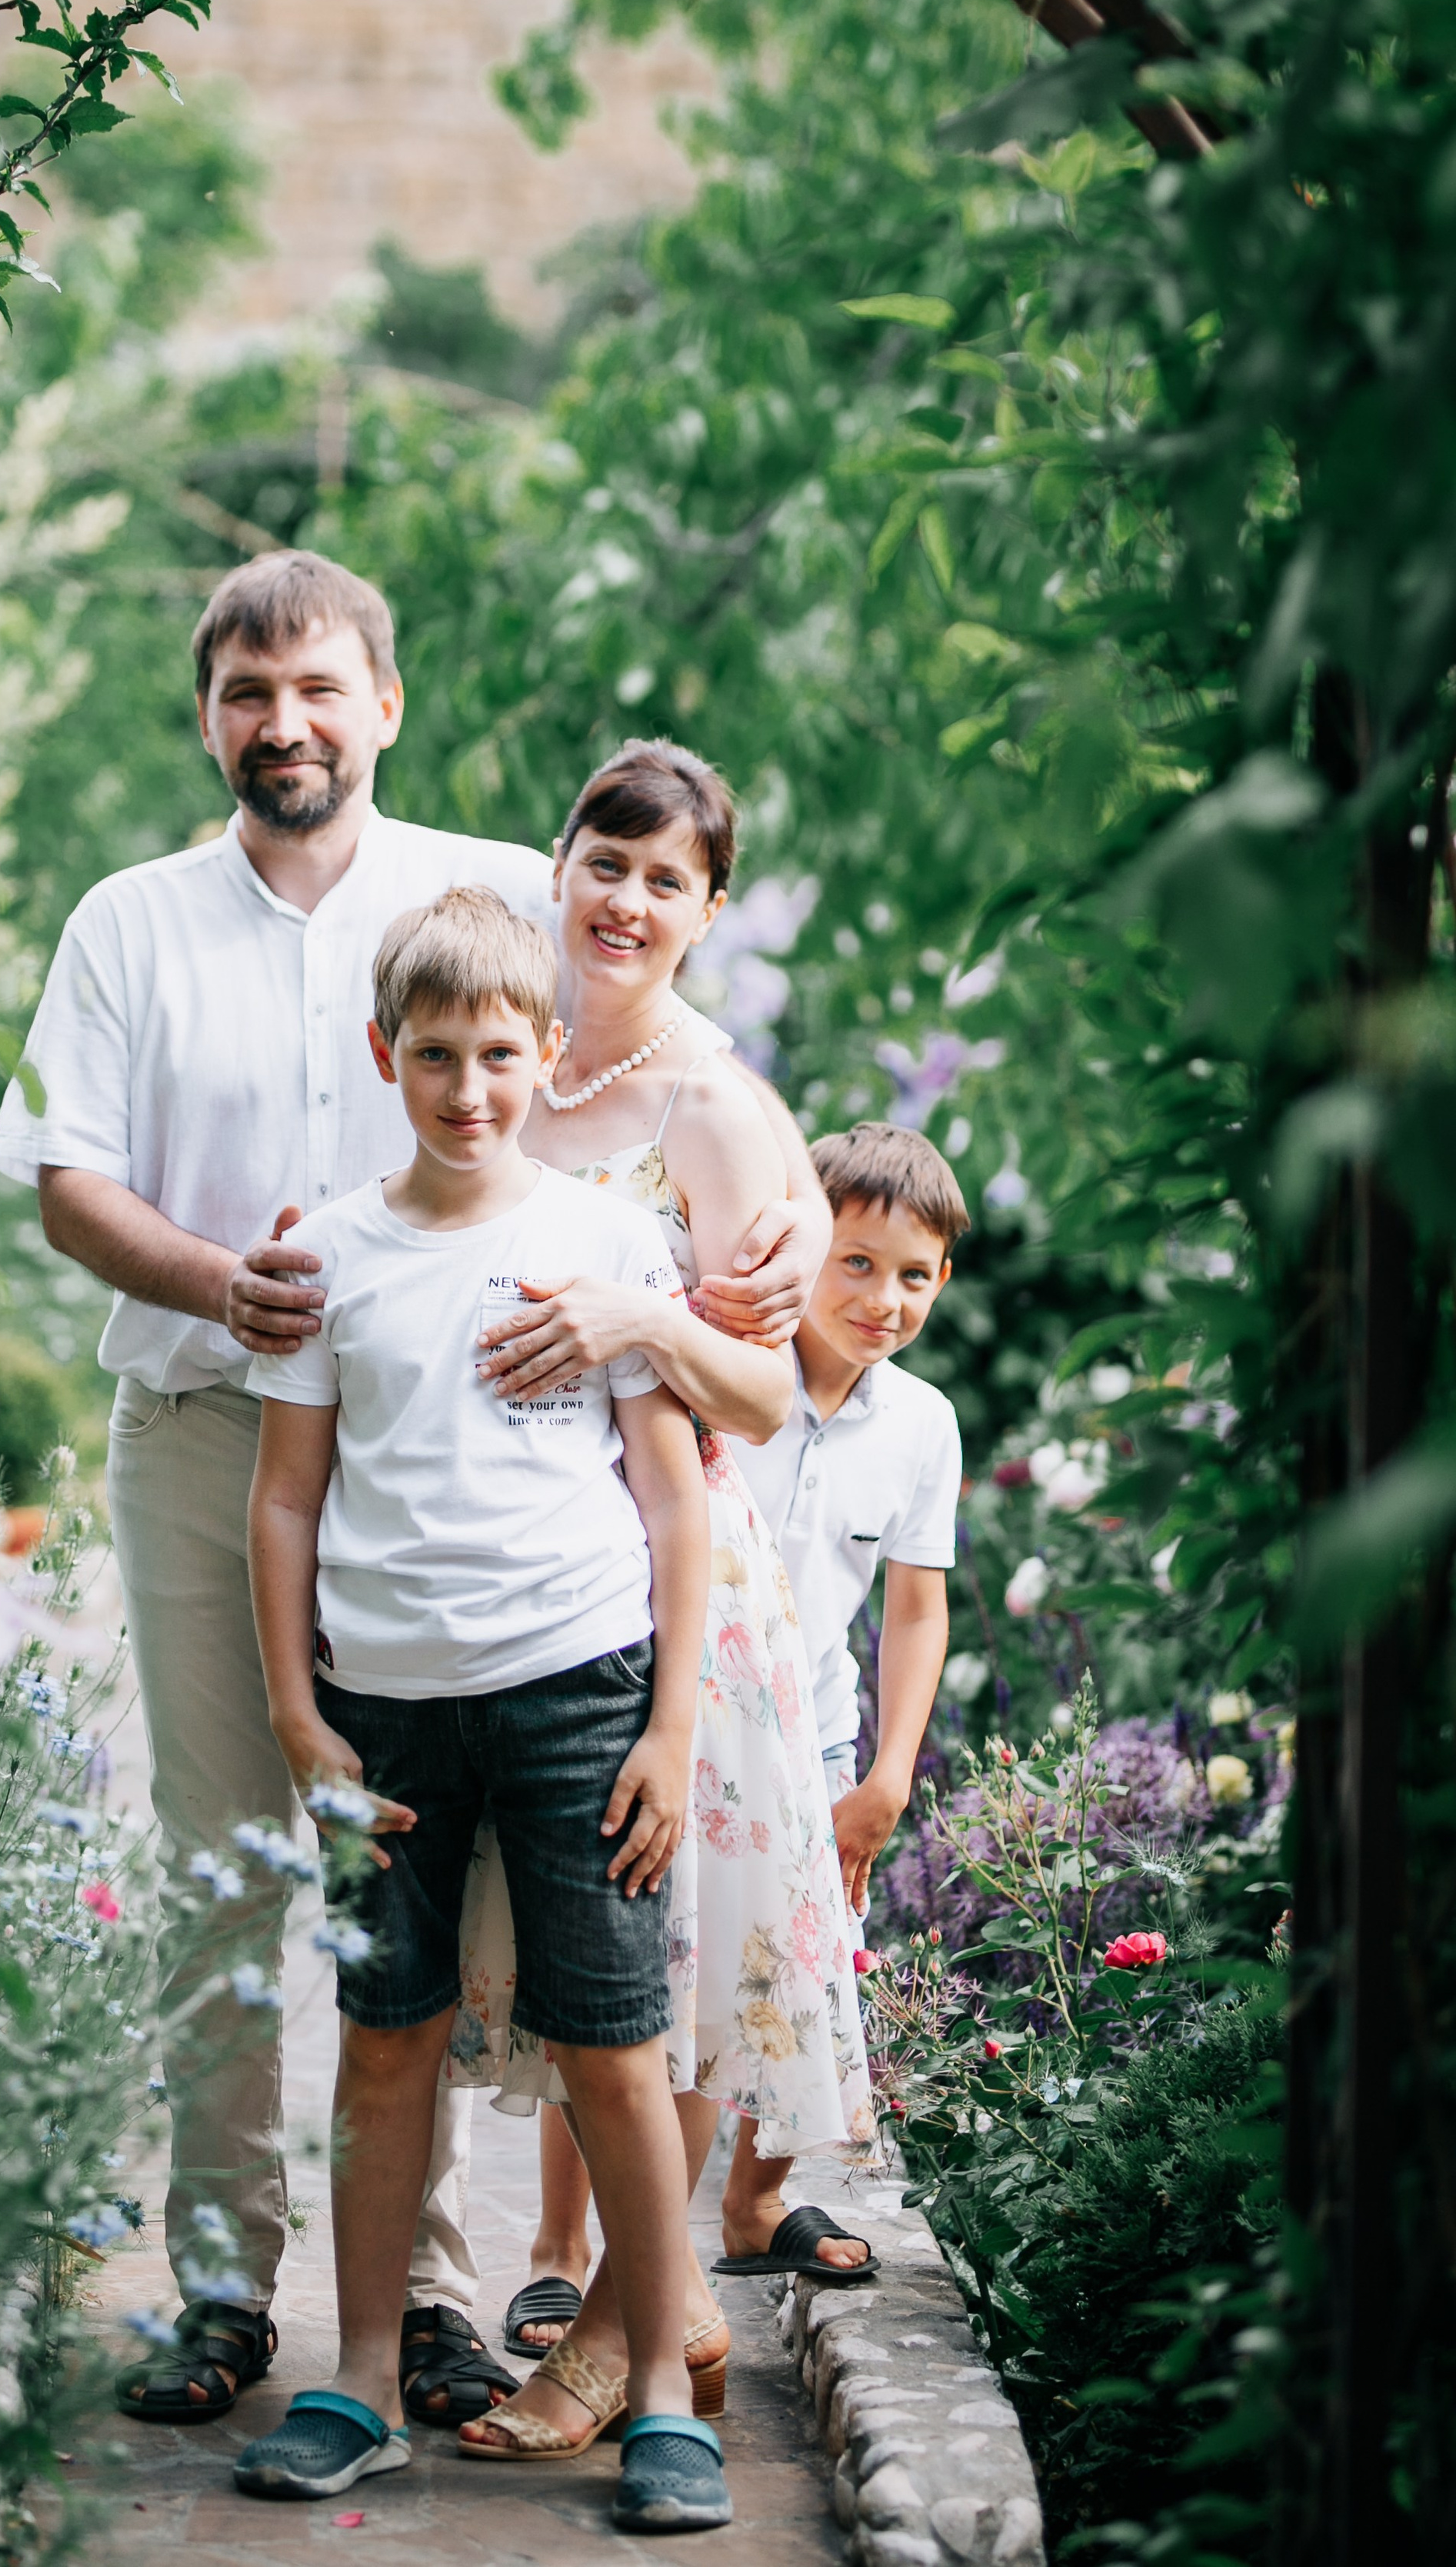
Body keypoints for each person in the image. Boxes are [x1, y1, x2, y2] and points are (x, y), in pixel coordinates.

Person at [0, 550, 826, 2425]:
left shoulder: (474, 899)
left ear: (382, 703)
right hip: (217, 1443)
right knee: (222, 1866)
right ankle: (220, 2285)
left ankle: (428, 2298)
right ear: (207, 715)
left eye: (315, 686)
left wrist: (742, 1247)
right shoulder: (125, 923)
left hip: (465, 1478)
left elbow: (627, 1005)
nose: (280, 722)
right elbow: (62, 1181)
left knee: (439, 1915)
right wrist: (223, 1280)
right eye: (242, 692)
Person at [234, 887, 732, 2532]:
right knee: (388, 2048)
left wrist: (666, 1724)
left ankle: (657, 2392)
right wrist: (300, 1719)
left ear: (540, 1059)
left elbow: (673, 1505)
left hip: (580, 1694)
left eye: (499, 1055)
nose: (467, 1088)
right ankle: (357, 2381)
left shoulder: (601, 1244)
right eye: (435, 1055)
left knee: (614, 2052)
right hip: (385, 1716)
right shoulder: (327, 1255)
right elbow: (286, 1505)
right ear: (387, 1058)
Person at [441, 742, 874, 2439]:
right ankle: (654, 2308)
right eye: (600, 863)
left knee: (684, 1960)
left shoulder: (713, 1104)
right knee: (597, 1963)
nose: (622, 902)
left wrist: (643, 1325)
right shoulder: (508, 1063)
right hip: (511, 1583)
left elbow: (774, 1391)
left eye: (662, 880)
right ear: (557, 867)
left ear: (706, 910)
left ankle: (618, 2331)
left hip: (672, 1582)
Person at [714, 1120, 965, 2280]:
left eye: (914, 1275)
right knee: (643, 1986)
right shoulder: (724, 1377)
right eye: (854, 1261)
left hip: (814, 1739)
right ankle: (575, 2246)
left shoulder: (921, 1425)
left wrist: (888, 1775)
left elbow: (916, 1609)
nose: (883, 1298)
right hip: (686, 1722)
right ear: (798, 1244)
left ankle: (756, 2204)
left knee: (804, 1973)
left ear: (943, 1282)